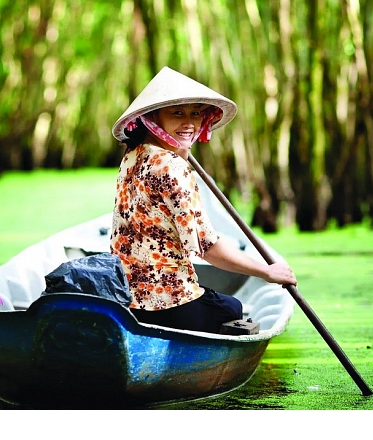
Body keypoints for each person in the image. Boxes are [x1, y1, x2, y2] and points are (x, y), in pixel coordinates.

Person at [109, 66, 297, 334]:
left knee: (219, 303)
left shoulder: (133, 155)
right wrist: (266, 272)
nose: (189, 123)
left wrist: (179, 151)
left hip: (126, 299)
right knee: (232, 308)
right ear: (152, 117)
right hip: (169, 305)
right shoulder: (172, 166)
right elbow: (206, 248)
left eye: (196, 113)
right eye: (177, 113)